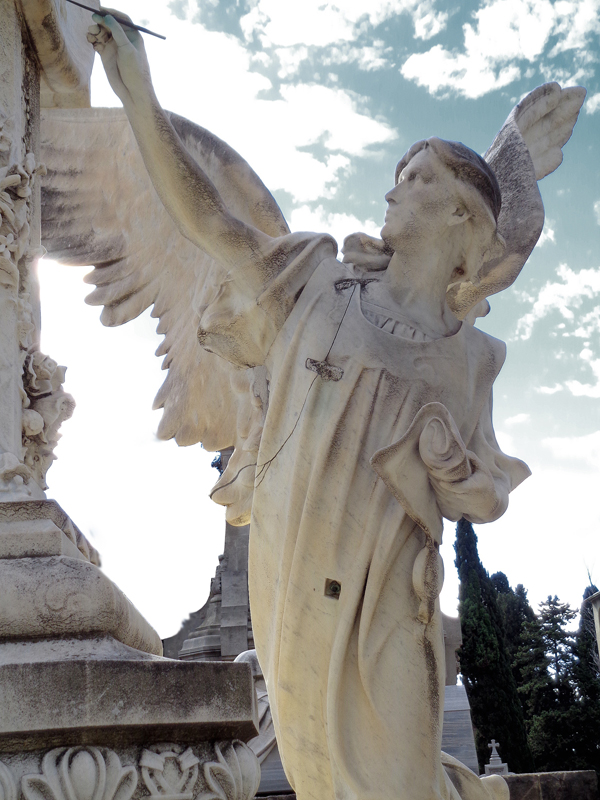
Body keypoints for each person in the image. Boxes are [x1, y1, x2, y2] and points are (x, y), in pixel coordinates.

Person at [88, 14, 529, 800]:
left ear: (464, 214)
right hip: (292, 583)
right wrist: (138, 93)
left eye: (418, 177)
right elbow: (211, 223)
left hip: (393, 605)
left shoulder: (472, 357)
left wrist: (446, 464)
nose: (394, 188)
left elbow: (482, 497)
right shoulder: (318, 285)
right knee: (322, 780)